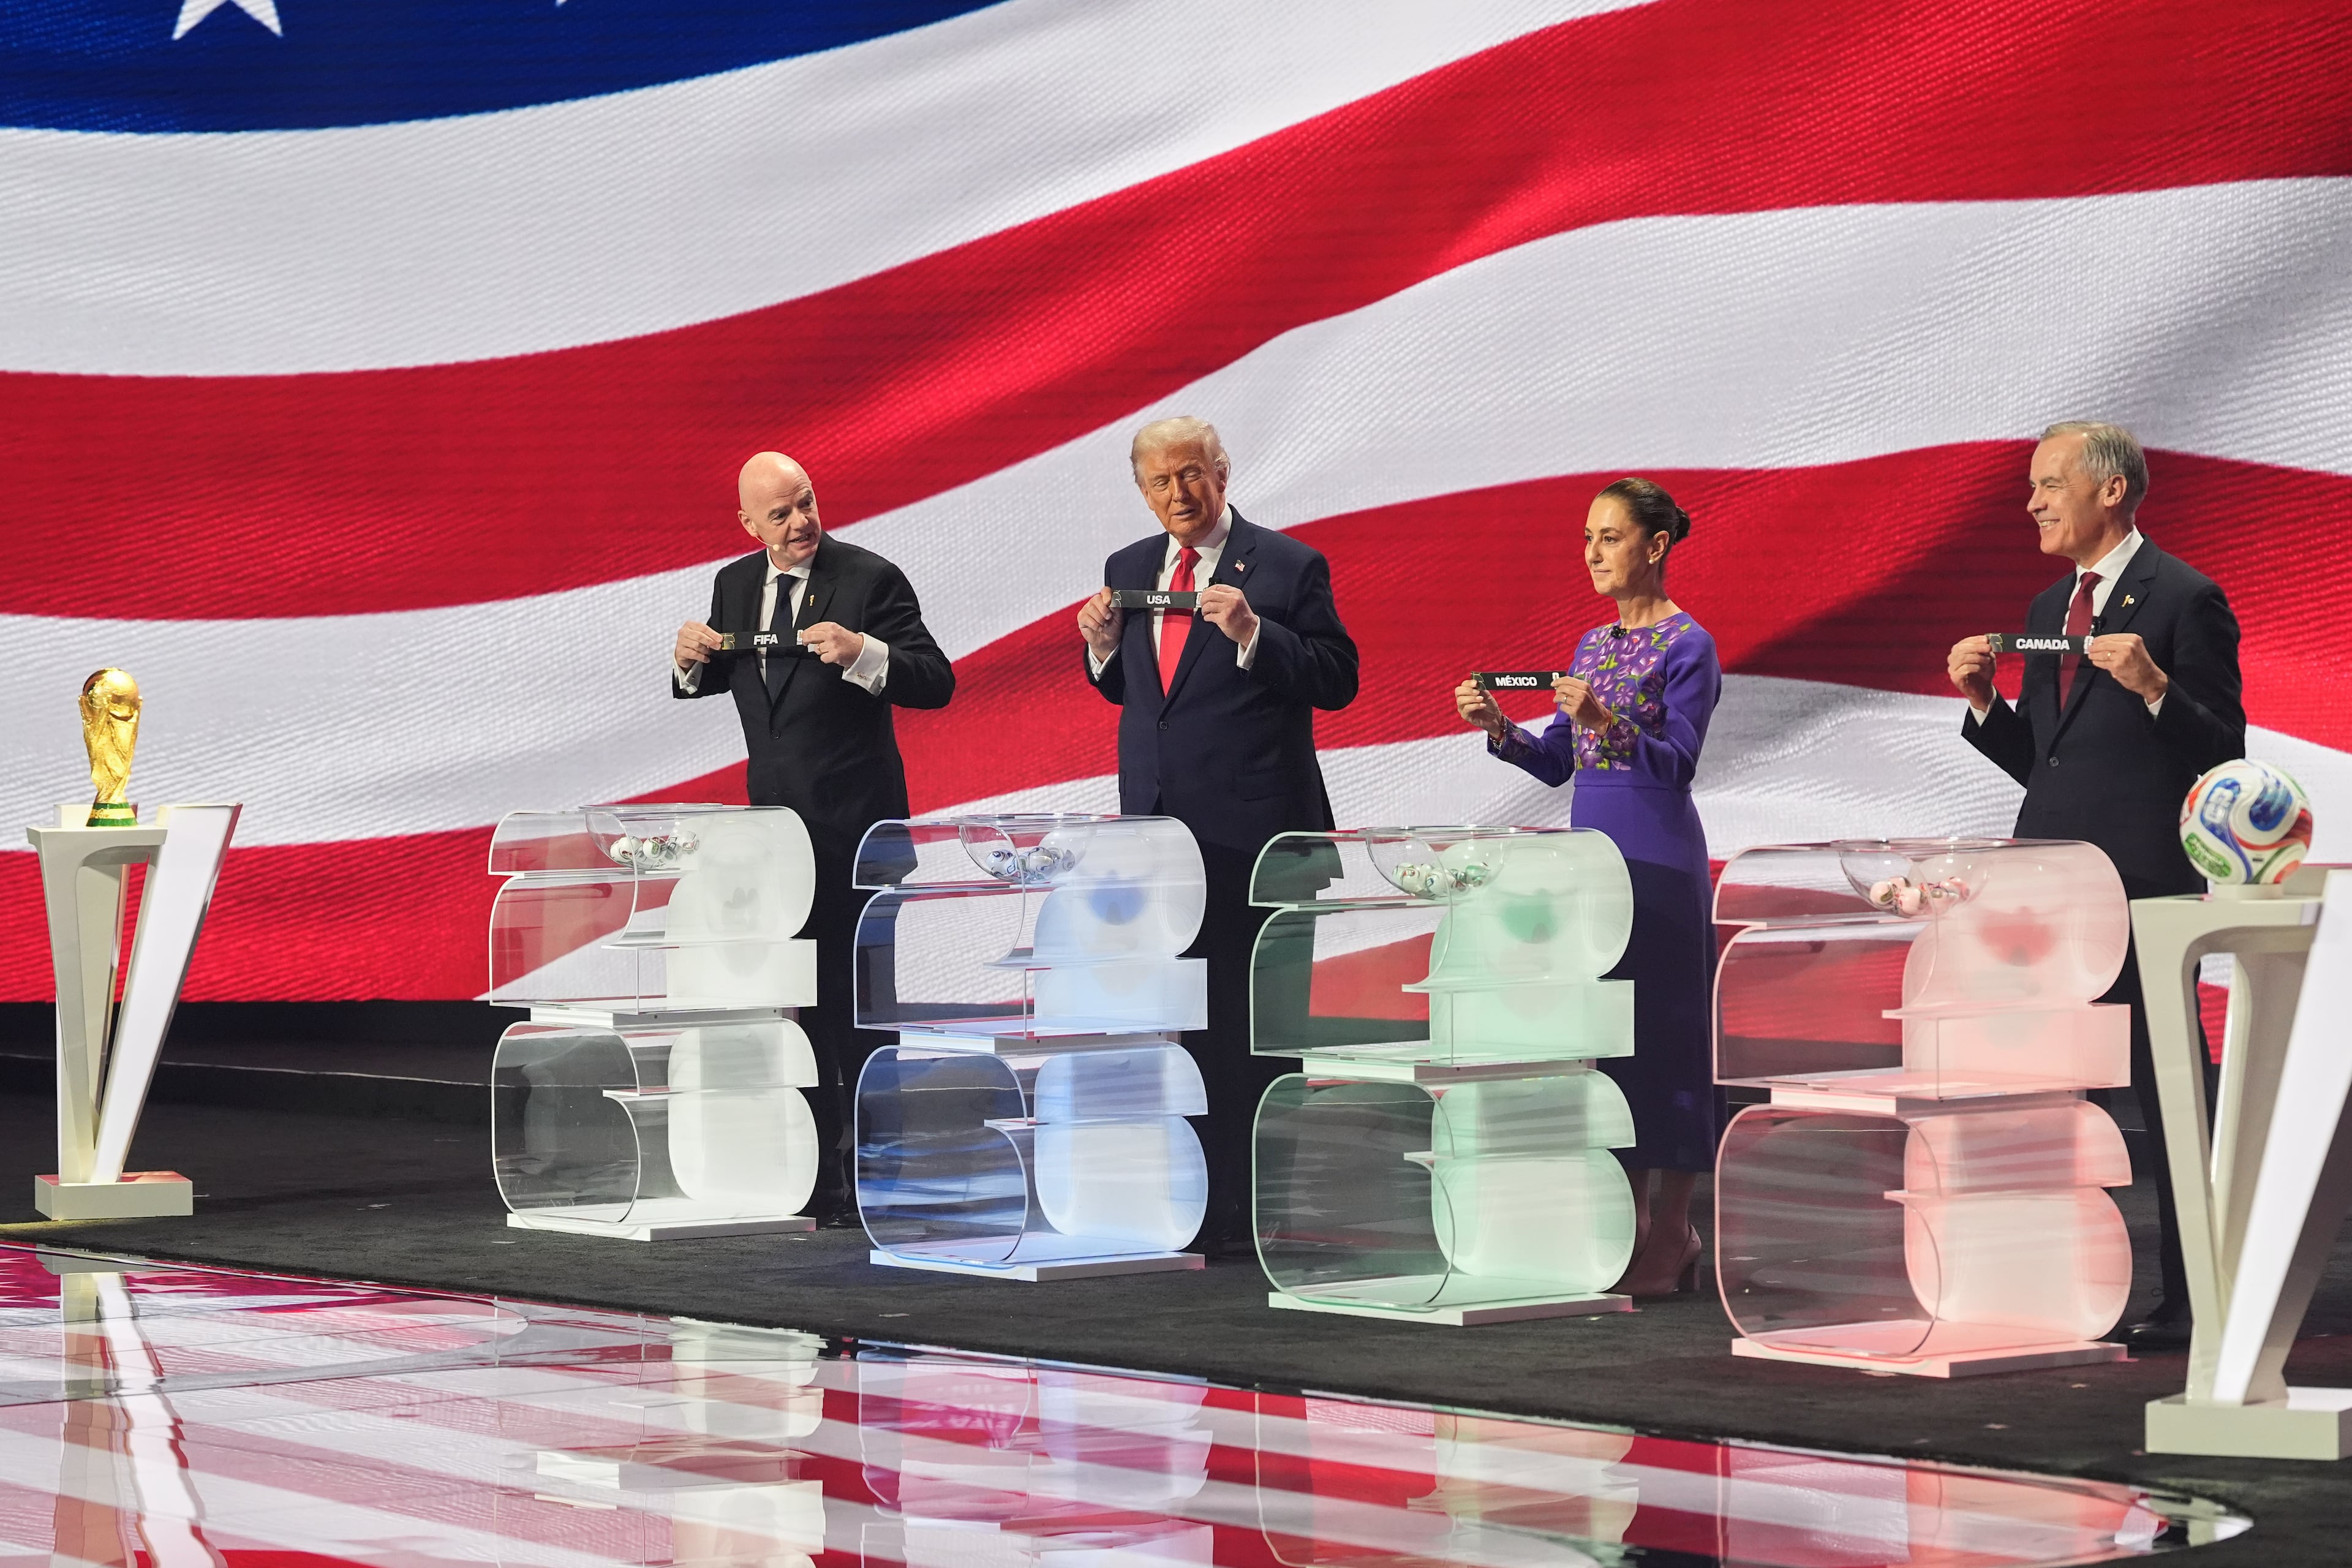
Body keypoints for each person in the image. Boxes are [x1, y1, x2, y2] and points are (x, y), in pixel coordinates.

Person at [1948, 420, 2244, 1351]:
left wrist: (2157, 688)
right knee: (2049, 1095)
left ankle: (2196, 1300)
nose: (2032, 501)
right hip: (2052, 896)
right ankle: (2060, 1281)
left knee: (2168, 1096)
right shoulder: (2049, 605)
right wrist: (1986, 708)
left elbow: (2223, 752)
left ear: (2109, 491)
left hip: (2146, 887)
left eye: (2047, 483)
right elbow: (2052, 763)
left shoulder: (2185, 599)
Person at [1077, 416, 1359, 1254]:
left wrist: (1253, 635)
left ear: (1223, 472)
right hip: (1163, 849)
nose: (1179, 494)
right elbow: (1149, 703)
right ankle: (1199, 1205)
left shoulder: (1287, 566)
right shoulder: (1128, 571)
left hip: (1261, 843)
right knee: (1184, 1030)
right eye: (1160, 482)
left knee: (1265, 1036)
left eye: (1192, 475)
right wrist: (1098, 651)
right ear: (1141, 490)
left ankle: (1265, 1210)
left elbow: (1338, 678)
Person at [1453, 477, 1723, 1298]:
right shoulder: (1591, 646)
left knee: (1669, 1040)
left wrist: (1609, 720)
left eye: (1609, 537)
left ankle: (1674, 1229)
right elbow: (1557, 761)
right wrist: (1499, 726)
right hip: (1591, 862)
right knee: (1610, 1040)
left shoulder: (1689, 645)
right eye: (1587, 538)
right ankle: (1627, 1222)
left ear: (1656, 545)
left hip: (1659, 858)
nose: (1593, 554)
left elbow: (1677, 763)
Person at [673, 451, 956, 1223]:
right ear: (748, 525)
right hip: (770, 853)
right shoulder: (735, 586)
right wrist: (690, 660)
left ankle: (877, 1179)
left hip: (858, 840)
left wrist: (867, 655)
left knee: (860, 1019)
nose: (800, 523)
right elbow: (733, 690)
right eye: (781, 514)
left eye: (806, 503)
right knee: (790, 1013)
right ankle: (811, 1177)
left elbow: (937, 681)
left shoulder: (870, 579)